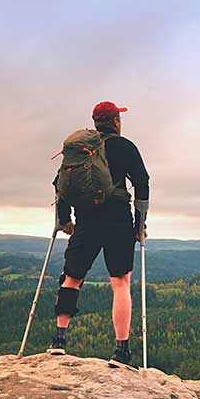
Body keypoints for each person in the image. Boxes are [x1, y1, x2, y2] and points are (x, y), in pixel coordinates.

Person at [48, 101, 150, 371]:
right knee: (120, 282)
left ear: (95, 122)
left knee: (72, 277)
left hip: (86, 218)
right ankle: (121, 351)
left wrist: (64, 219)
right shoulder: (125, 147)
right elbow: (142, 183)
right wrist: (140, 225)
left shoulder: (80, 149)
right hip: (117, 218)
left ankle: (58, 339)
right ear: (116, 121)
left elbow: (60, 184)